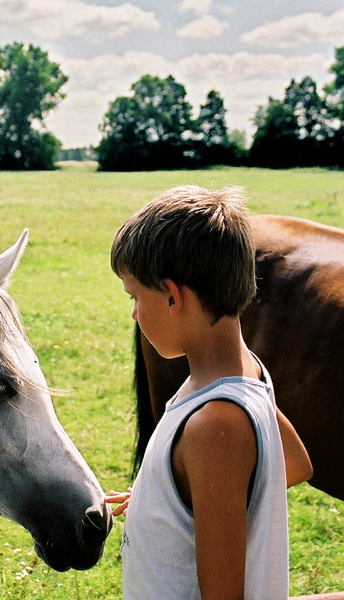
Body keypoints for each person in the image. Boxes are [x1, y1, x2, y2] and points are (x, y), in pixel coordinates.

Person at [105, 185, 314, 600]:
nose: (132, 312)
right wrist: (165, 497)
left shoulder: (214, 424)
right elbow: (294, 463)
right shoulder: (245, 372)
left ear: (171, 296)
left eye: (133, 296)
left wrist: (209, 480)